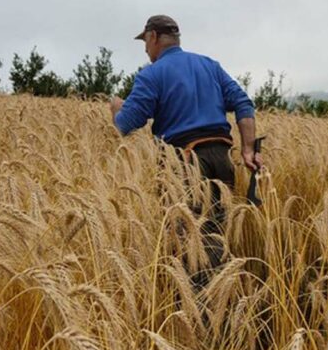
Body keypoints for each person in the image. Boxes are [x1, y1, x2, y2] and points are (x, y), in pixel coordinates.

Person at [109, 15, 262, 285]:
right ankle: (226, 300)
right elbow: (243, 103)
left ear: (153, 37)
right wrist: (248, 149)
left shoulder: (151, 74)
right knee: (216, 235)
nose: (145, 49)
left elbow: (126, 125)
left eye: (145, 41)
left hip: (186, 163)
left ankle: (203, 312)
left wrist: (117, 109)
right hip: (223, 159)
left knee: (190, 245)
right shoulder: (209, 66)